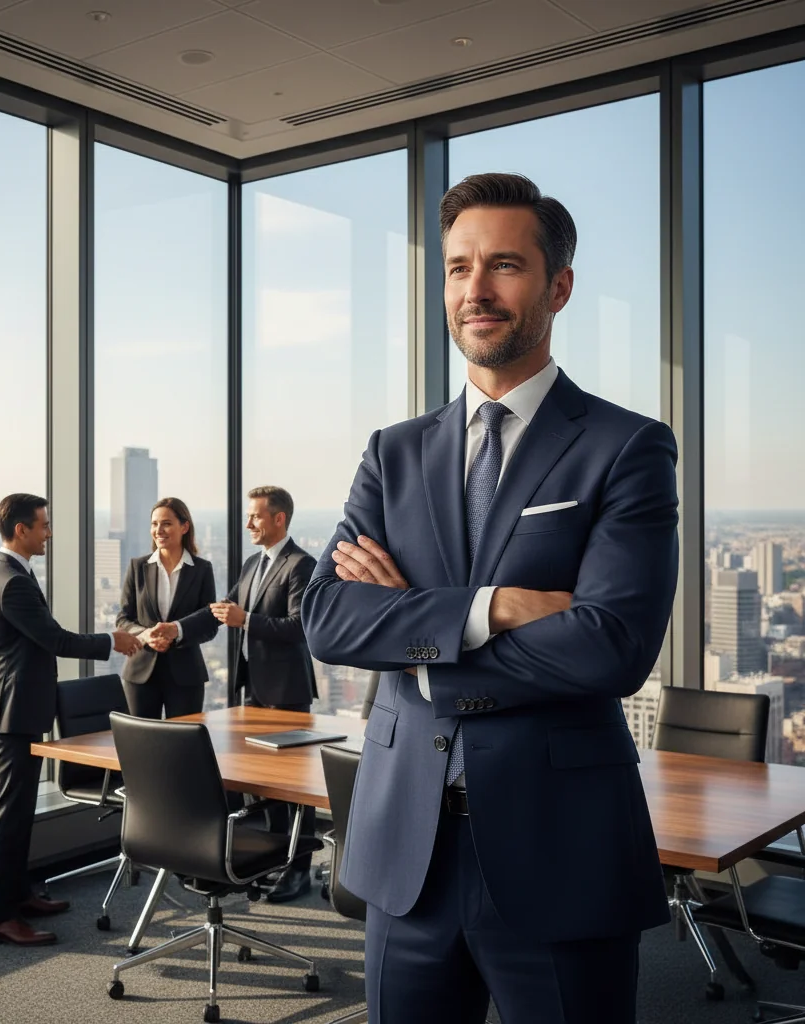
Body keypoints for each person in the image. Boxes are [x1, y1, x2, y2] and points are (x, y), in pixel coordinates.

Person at [301, 173, 679, 1024]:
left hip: (560, 845)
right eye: (457, 267)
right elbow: (326, 618)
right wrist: (493, 606)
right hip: (407, 849)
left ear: (558, 286)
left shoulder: (626, 448)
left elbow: (610, 645)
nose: (476, 289)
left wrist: (416, 636)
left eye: (504, 265)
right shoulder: (392, 455)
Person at [0, 493, 141, 946]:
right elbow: (54, 639)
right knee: (9, 816)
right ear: (21, 531)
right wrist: (113, 640)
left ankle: (17, 895)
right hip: (12, 712)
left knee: (19, 812)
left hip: (21, 708)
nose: (49, 533)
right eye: (44, 525)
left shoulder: (13, 574)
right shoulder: (11, 582)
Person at [210, 486, 318, 904]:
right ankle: (277, 859)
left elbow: (298, 627)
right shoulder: (253, 562)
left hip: (286, 691)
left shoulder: (300, 565)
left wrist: (247, 620)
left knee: (295, 787)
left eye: (255, 516)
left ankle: (300, 870)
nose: (249, 524)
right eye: (248, 517)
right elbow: (228, 609)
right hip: (251, 689)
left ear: (279, 519)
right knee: (264, 784)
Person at [116, 497, 219, 719]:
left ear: (184, 527)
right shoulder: (138, 567)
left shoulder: (202, 570)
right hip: (140, 673)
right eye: (154, 524)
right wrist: (146, 636)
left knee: (182, 745)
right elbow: (123, 619)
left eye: (166, 523)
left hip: (186, 674)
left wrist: (177, 630)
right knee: (141, 743)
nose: (159, 530)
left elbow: (209, 623)